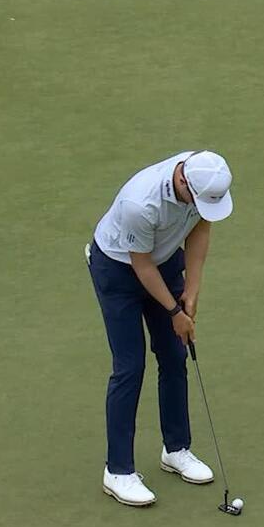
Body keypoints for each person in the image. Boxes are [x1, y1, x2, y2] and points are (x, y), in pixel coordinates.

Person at [86, 150, 234, 507]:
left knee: (172, 354)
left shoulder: (205, 177)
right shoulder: (141, 202)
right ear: (182, 183)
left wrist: (191, 294)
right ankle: (118, 470)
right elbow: (141, 267)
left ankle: (177, 449)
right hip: (119, 270)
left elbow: (200, 231)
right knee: (129, 366)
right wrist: (174, 310)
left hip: (164, 262)